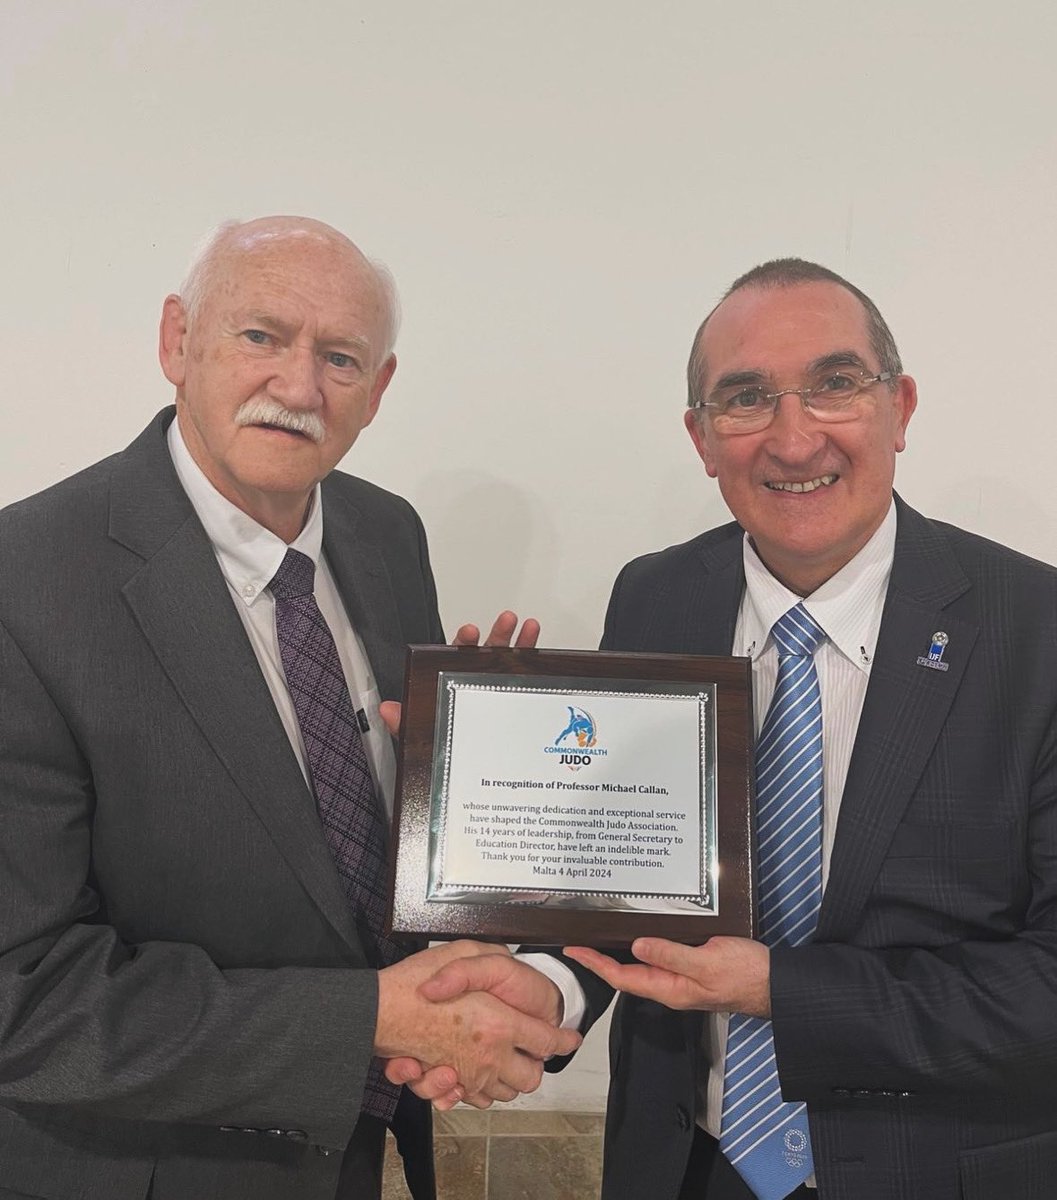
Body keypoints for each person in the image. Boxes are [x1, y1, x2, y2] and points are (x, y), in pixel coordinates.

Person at [393, 260, 1057, 1199]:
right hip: (682, 1167)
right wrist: (549, 980)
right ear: (702, 439)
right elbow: (630, 884)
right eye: (744, 399)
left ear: (899, 407)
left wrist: (779, 992)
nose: (792, 438)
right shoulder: (660, 597)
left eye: (834, 384)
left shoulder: (1035, 628)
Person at [0, 216, 578, 1200]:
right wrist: (372, 1022)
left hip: (362, 1151)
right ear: (176, 340)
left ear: (380, 388)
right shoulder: (27, 583)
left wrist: (485, 777)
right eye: (259, 336)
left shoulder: (386, 535)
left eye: (340, 356)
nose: (299, 386)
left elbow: (366, 865)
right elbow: (27, 999)